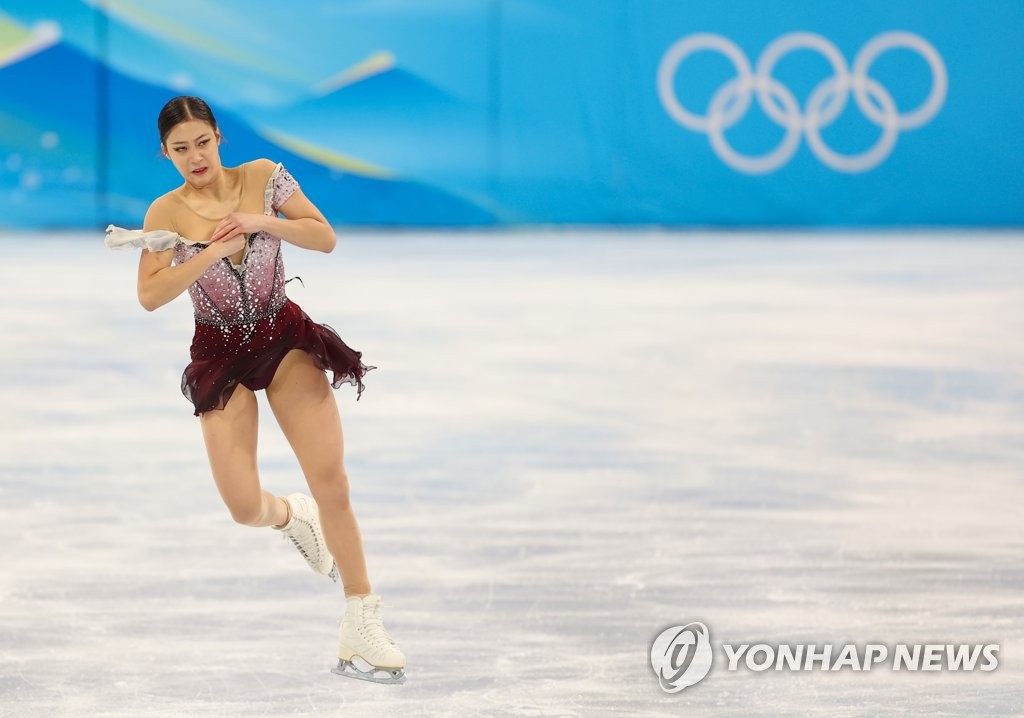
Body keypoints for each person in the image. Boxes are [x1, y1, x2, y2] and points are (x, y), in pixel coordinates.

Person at [105, 95, 405, 685]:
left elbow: (323, 237)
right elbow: (150, 296)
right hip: (218, 354)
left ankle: (362, 614)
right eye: (180, 149)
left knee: (333, 480)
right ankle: (295, 516)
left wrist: (259, 222)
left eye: (202, 142)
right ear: (165, 154)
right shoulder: (163, 212)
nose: (195, 156)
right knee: (243, 507)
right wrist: (210, 250)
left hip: (283, 338)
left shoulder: (264, 178)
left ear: (220, 138)